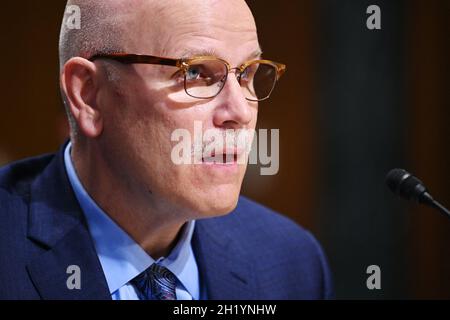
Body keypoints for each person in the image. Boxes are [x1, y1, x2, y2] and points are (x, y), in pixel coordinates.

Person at [0, 0, 333, 300]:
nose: (241, 112)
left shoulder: (292, 263)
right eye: (195, 73)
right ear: (89, 95)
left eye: (247, 74)